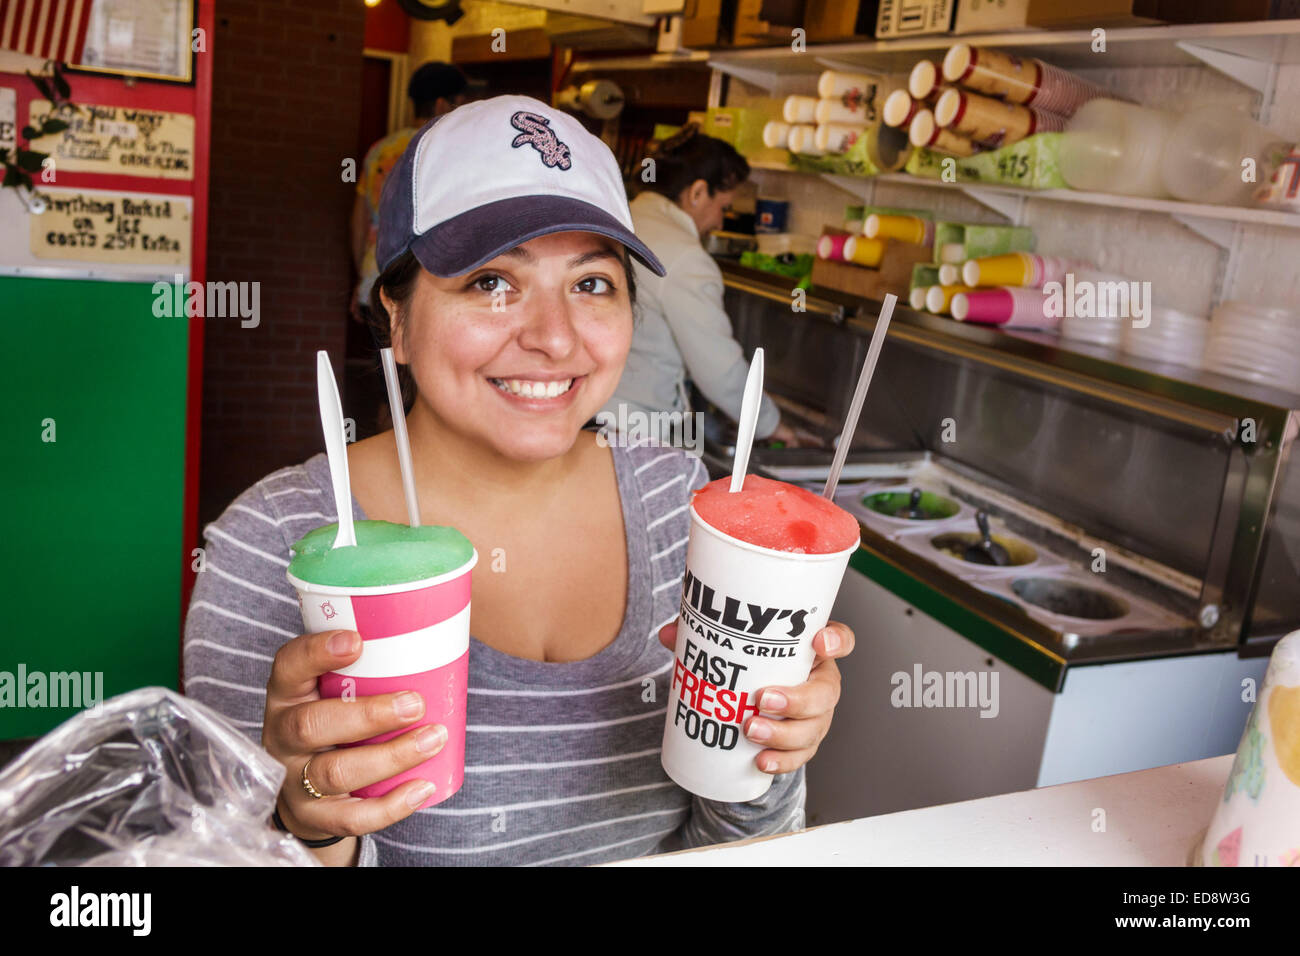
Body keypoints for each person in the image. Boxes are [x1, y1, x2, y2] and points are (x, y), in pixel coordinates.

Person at [184, 95, 855, 867]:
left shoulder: (687, 507)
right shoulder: (275, 546)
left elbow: (742, 851)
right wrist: (309, 826)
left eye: (592, 284)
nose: (554, 336)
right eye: (491, 283)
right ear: (395, 319)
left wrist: (767, 755)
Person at [600, 124, 799, 446]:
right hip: (631, 428)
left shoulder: (618, 219)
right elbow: (719, 369)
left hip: (589, 413)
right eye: (723, 208)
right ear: (696, 192)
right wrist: (771, 425)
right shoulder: (687, 259)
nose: (720, 223)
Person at [349, 61, 469, 323]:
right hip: (423, 288)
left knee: (381, 364)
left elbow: (360, 222)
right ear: (441, 104)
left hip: (375, 282)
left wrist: (363, 278)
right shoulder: (449, 150)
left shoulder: (380, 150)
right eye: (458, 104)